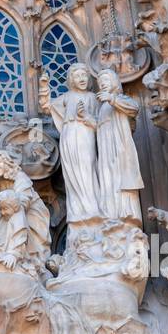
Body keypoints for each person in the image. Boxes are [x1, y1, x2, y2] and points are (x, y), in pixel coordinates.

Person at [41, 64, 100, 226]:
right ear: (71, 80)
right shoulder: (66, 97)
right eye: (77, 76)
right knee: (72, 172)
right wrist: (44, 87)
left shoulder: (93, 98)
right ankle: (77, 211)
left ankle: (92, 209)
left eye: (84, 75)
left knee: (87, 169)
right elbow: (46, 107)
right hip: (68, 135)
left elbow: (101, 124)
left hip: (85, 134)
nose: (81, 79)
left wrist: (85, 115)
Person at [95, 68, 143, 223]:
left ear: (114, 82)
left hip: (120, 147)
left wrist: (112, 99)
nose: (102, 84)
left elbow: (134, 108)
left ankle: (127, 215)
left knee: (122, 178)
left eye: (106, 80)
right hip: (105, 150)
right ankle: (111, 215)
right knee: (108, 179)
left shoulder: (120, 99)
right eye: (100, 82)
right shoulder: (101, 107)